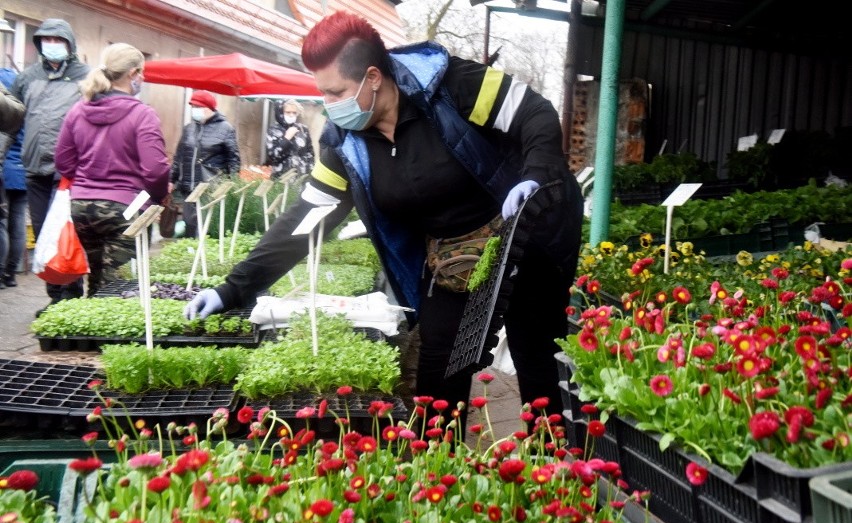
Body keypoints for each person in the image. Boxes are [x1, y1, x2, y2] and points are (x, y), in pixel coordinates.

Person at [185, 11, 582, 428]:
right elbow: (308, 215)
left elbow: (534, 114)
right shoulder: (345, 145)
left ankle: (553, 470)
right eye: (323, 94)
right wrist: (233, 287)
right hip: (454, 258)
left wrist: (536, 175)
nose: (329, 105)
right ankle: (438, 476)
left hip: (522, 234)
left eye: (336, 92)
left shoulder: (451, 84)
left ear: (373, 77)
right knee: (438, 377)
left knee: (535, 357)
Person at [54, 43, 170, 297]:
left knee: (96, 277)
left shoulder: (78, 111)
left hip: (83, 206)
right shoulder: (142, 114)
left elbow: (63, 162)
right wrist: (157, 197)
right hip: (125, 208)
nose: (142, 78)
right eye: (141, 73)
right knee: (118, 288)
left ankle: (89, 327)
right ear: (132, 74)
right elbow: (156, 170)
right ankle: (102, 334)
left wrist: (88, 179)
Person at [10, 18, 89, 310]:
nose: (51, 45)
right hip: (34, 168)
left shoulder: (85, 76)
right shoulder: (27, 78)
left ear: (69, 44)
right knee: (44, 234)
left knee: (67, 232)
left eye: (58, 40)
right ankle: (55, 298)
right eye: (46, 39)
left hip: (68, 171)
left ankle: (72, 295)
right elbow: (11, 121)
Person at [169, 90, 240, 239]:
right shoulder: (189, 129)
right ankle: (190, 255)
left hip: (210, 187)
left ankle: (204, 257)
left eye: (199, 106)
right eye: (193, 106)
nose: (195, 110)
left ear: (210, 108)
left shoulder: (225, 128)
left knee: (206, 227)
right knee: (190, 224)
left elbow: (233, 160)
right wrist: (171, 179)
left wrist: (232, 183)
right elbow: (179, 157)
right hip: (189, 186)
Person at [0, 69, 26, 289]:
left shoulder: (6, 108)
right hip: (23, 170)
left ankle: (1, 274)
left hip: (5, 169)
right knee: (17, 223)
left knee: (2, 222)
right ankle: (11, 274)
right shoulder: (24, 105)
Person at [265, 98, 315, 179]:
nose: (291, 115)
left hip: (301, 177)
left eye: (294, 112)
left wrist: (310, 173)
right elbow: (273, 156)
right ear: (280, 112)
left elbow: (310, 153)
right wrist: (286, 138)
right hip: (282, 177)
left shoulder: (303, 129)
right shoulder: (273, 131)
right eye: (288, 112)